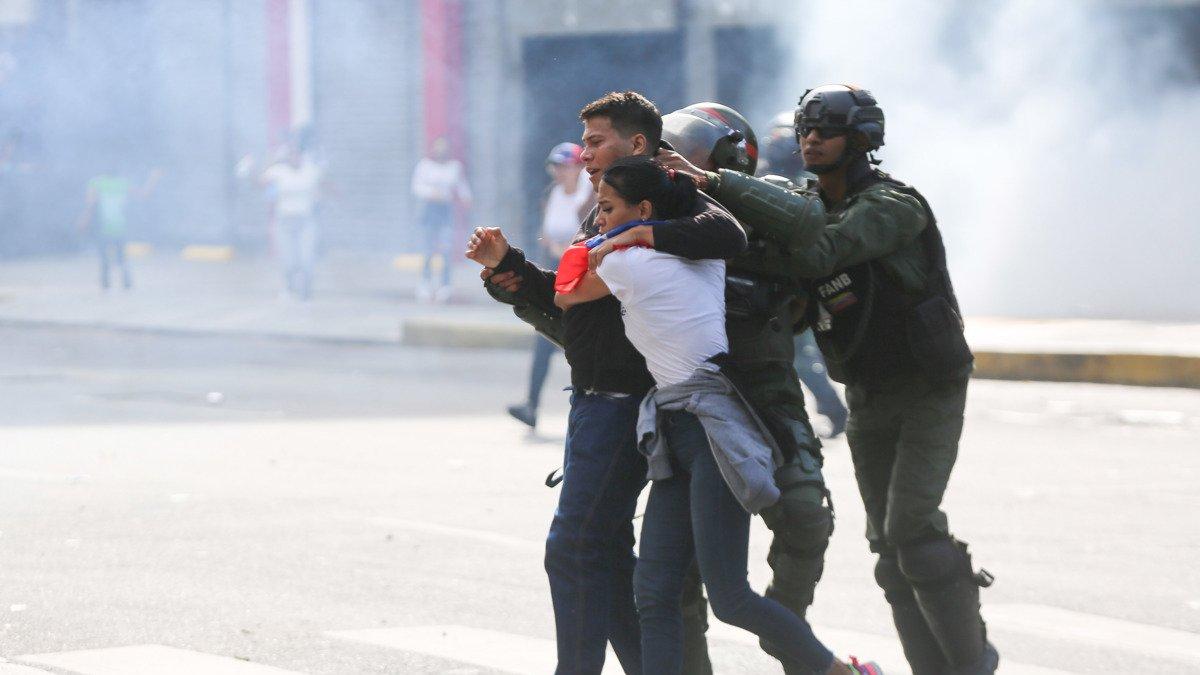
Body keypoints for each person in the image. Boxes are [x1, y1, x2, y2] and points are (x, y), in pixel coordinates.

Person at [665, 84, 999, 675]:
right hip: (868, 390)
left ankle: (973, 663)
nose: (811, 140)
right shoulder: (803, 203)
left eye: (827, 129)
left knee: (914, 535)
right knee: (889, 553)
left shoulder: (894, 205)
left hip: (928, 385)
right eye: (805, 130)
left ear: (863, 139)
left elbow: (821, 252)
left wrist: (714, 186)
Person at [559, 155, 881, 675]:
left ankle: (839, 672)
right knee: (654, 591)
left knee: (728, 595)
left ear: (644, 208)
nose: (597, 221)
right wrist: (639, 227)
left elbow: (566, 292)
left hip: (709, 431)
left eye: (607, 208)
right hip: (678, 425)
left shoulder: (626, 265)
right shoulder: (705, 256)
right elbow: (719, 230)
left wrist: (625, 239)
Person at [466, 90, 745, 675]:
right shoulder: (606, 209)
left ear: (637, 143)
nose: (585, 155)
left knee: (572, 549)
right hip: (592, 402)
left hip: (628, 405)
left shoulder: (664, 199)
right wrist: (508, 268)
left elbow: (726, 236)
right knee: (606, 553)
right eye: (586, 143)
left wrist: (638, 234)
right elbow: (573, 301)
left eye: (596, 142)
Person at [757, 110, 849, 438]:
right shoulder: (761, 181)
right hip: (779, 285)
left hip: (797, 286)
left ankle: (833, 411)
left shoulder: (812, 188)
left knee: (800, 356)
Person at [507, 142, 593, 429]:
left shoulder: (590, 194)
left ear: (579, 166)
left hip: (582, 279)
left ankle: (585, 407)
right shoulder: (554, 194)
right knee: (544, 339)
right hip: (557, 276)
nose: (559, 172)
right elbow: (546, 233)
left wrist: (566, 250)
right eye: (555, 167)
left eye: (564, 166)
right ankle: (531, 405)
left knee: (581, 342)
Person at [77, 168, 162, 291]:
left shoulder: (97, 183)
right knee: (120, 260)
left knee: (107, 261)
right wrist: (154, 178)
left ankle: (108, 289)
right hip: (114, 227)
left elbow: (90, 204)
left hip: (107, 227)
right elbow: (143, 194)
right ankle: (123, 288)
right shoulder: (120, 183)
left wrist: (83, 220)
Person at [412, 136, 472, 303]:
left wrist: (467, 199)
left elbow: (461, 186)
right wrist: (432, 193)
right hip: (430, 210)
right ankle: (425, 282)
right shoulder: (425, 166)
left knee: (446, 248)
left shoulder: (454, 167)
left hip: (446, 211)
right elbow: (416, 187)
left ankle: (445, 285)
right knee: (428, 248)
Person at [260, 142, 323, 300]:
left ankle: (306, 290)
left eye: (297, 155)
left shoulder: (310, 171)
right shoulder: (278, 172)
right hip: (285, 221)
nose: (294, 158)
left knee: (306, 258)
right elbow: (261, 182)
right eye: (291, 155)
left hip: (305, 221)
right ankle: (289, 286)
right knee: (288, 259)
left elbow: (322, 184)